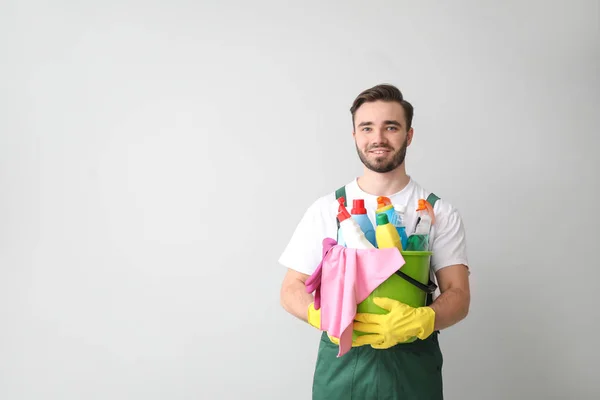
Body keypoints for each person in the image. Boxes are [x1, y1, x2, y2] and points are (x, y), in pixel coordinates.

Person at [278, 83, 470, 399]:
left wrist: (423, 320)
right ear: (355, 136)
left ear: (409, 135)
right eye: (367, 128)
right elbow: (290, 290)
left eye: (390, 127)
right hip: (342, 371)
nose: (378, 138)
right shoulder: (328, 208)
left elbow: (459, 295)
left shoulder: (438, 211)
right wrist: (320, 315)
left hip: (412, 372)